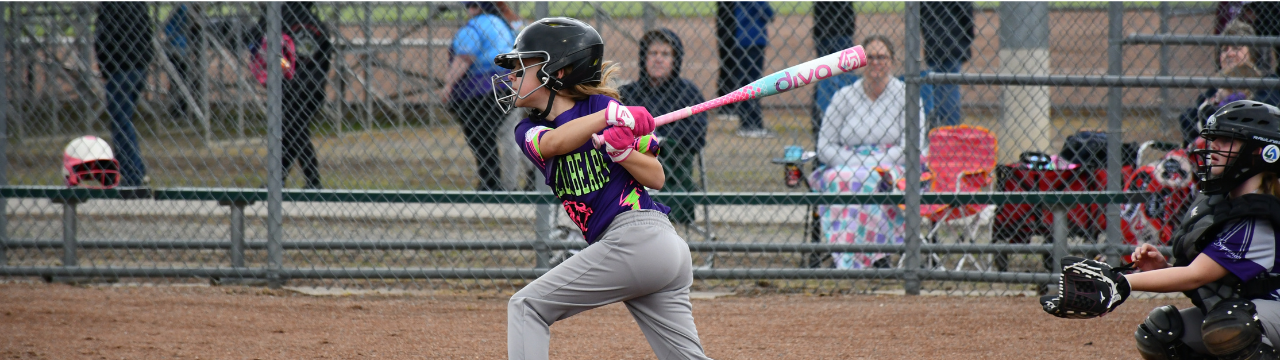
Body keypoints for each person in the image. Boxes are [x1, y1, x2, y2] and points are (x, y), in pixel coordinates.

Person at [493, 17, 712, 360]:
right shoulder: (529, 130)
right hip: (644, 252)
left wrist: (623, 151)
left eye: (522, 68)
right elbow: (554, 143)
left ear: (558, 71)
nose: (512, 76)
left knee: (526, 307)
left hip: (642, 239)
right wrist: (609, 117)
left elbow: (656, 177)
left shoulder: (601, 107)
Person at [1122, 100, 1280, 359]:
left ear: (1259, 151)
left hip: (1271, 309)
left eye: (1227, 140)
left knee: (1230, 327)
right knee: (1162, 332)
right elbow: (1212, 282)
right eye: (1213, 138)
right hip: (1261, 309)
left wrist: (1118, 283)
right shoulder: (1225, 205)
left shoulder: (1257, 217)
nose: (1212, 146)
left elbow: (1196, 275)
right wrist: (1164, 271)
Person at [812, 35, 926, 269]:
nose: (876, 62)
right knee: (841, 178)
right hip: (847, 164)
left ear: (892, 61)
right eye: (870, 57)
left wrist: (877, 162)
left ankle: (876, 254)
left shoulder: (906, 96)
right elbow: (824, 145)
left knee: (876, 179)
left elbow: (913, 145)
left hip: (893, 164)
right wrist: (855, 162)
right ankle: (846, 254)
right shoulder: (844, 97)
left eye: (882, 57)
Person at [619, 29, 708, 233]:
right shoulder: (627, 93)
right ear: (644, 58)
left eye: (665, 54)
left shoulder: (688, 93)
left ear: (675, 60)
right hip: (629, 168)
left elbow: (696, 135)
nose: (658, 59)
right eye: (653, 53)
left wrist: (659, 142)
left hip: (671, 171)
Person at [247, 2, 333, 189]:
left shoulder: (280, 14)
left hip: (289, 85)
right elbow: (325, 59)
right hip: (313, 86)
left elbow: (254, 37)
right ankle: (282, 181)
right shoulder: (316, 23)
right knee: (292, 132)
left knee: (294, 131)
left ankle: (311, 181)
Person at [441, 1, 515, 191]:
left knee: (480, 136)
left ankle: (490, 184)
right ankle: (520, 182)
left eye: (470, 6)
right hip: (508, 84)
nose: (468, 10)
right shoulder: (502, 24)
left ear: (476, 8)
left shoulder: (473, 28)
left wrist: (448, 84)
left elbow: (465, 57)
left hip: (480, 90)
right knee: (501, 135)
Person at [1178, 20, 1278, 146]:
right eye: (1225, 49)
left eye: (1236, 48)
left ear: (1252, 54)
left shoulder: (1266, 82)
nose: (1229, 54)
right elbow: (1187, 122)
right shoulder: (1216, 87)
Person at [96, 2, 154, 188]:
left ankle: (132, 175)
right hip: (138, 66)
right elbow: (148, 33)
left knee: (121, 122)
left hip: (120, 68)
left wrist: (106, 68)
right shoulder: (138, 4)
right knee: (124, 120)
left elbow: (102, 38)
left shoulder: (109, 5)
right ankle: (136, 170)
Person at [721, 2, 775, 138]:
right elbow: (769, 14)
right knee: (755, 82)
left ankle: (745, 123)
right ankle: (754, 124)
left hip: (741, 40)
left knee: (745, 81)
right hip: (755, 40)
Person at [810, 2, 857, 144]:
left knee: (825, 77)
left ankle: (819, 119)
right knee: (842, 78)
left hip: (826, 30)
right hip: (838, 30)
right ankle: (833, 119)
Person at [921, 2, 974, 129]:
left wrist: (929, 33)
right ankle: (950, 128)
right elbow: (967, 15)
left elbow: (921, 17)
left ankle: (938, 127)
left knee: (936, 89)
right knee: (950, 87)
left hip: (933, 42)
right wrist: (967, 36)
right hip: (953, 41)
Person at [163, 3, 202, 120]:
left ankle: (182, 110)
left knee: (182, 79)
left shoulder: (182, 9)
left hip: (180, 48)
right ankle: (180, 110)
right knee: (181, 80)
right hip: (176, 48)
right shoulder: (183, 8)